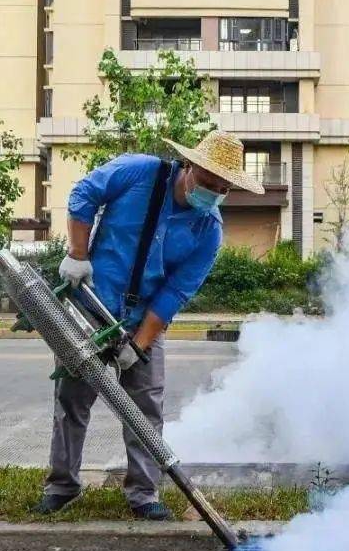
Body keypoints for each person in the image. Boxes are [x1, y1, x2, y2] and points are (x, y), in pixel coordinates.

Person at [33, 131, 264, 520]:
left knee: (145, 408)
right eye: (209, 183)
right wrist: (77, 254)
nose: (213, 194)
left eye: (223, 189)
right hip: (93, 302)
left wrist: (137, 346)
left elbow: (175, 292)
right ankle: (63, 486)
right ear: (190, 167)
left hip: (143, 320)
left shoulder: (208, 231)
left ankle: (143, 493)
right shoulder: (137, 171)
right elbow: (83, 196)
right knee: (72, 400)